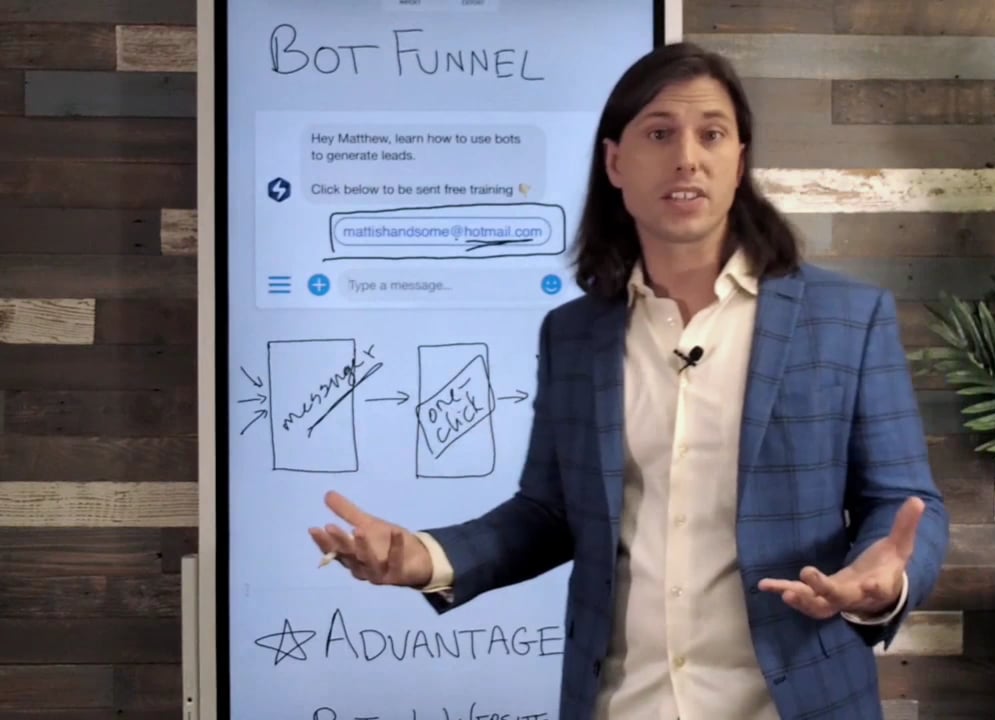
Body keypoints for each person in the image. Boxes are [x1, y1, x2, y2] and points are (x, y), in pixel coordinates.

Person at [309, 41, 949, 720]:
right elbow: (550, 512)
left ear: (740, 162)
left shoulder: (847, 318)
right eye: (660, 133)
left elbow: (901, 500)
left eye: (712, 135)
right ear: (615, 162)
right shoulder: (573, 334)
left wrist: (884, 577)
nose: (687, 158)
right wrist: (427, 557)